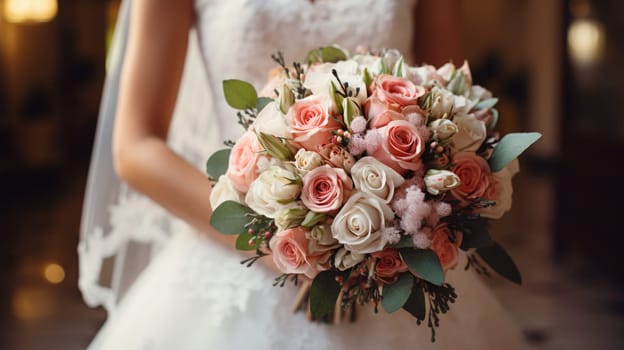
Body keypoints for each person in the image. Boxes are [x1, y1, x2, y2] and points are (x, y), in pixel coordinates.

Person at [79, 0, 529, 348]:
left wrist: (398, 212)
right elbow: (135, 148)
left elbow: (456, 100)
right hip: (240, 256)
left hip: (393, 257)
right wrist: (281, 242)